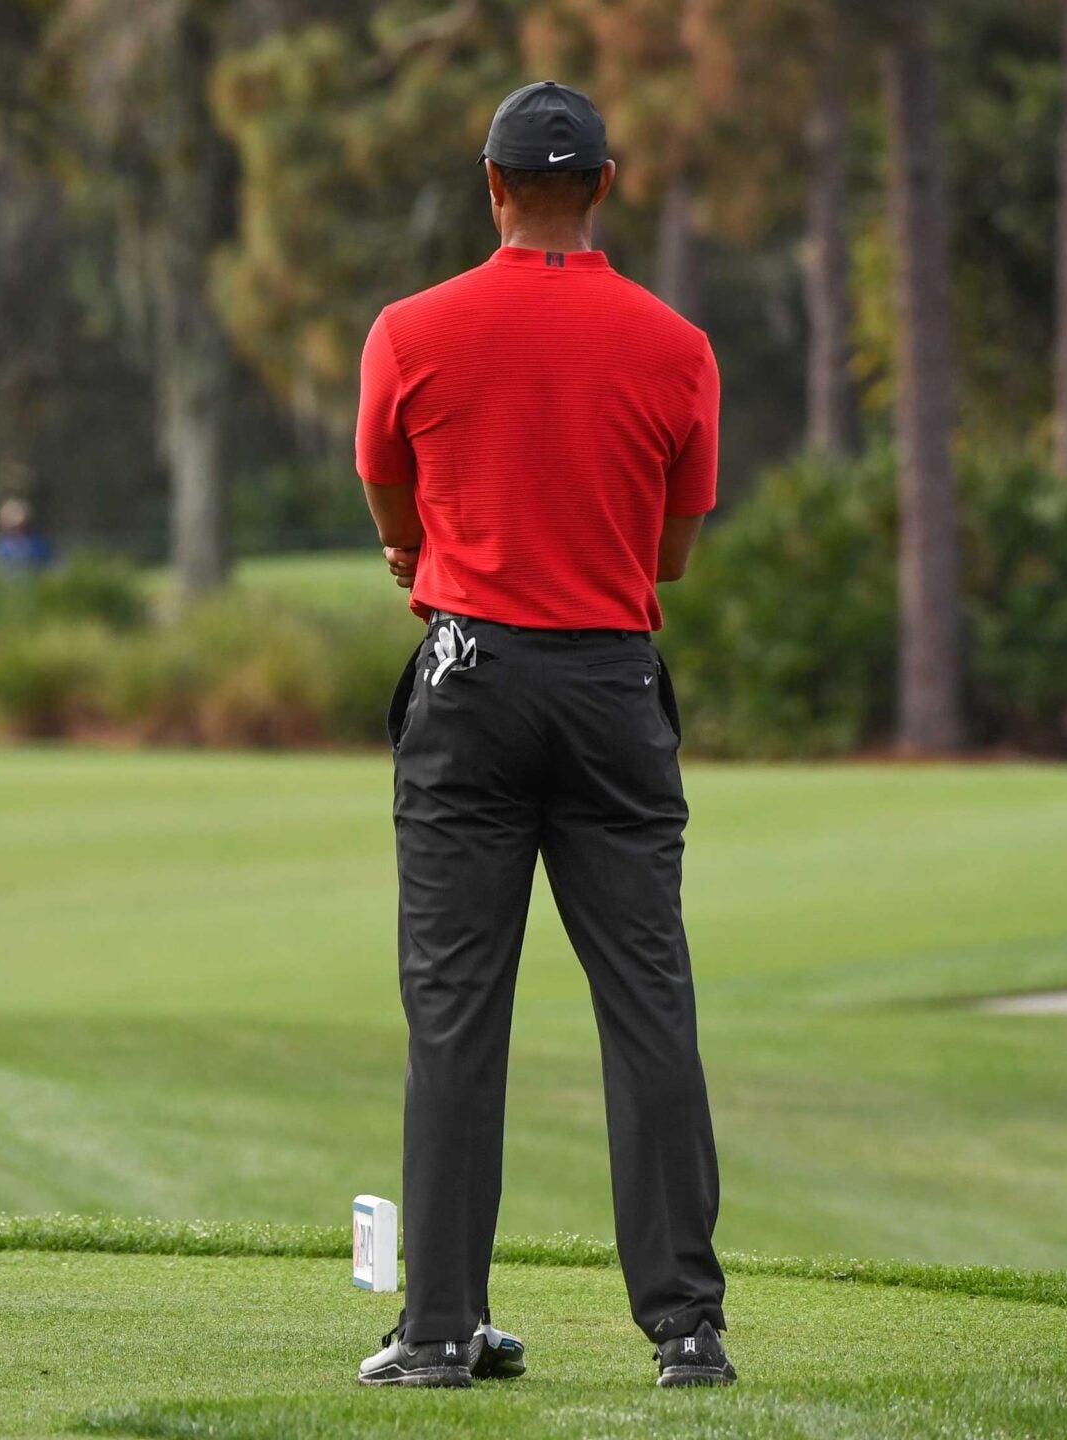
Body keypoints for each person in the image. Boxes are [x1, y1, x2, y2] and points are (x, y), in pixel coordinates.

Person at [350, 81, 732, 1389]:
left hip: (469, 686)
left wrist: (433, 554)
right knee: (650, 1009)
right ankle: (686, 1330)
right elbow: (669, 553)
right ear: (606, 186)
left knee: (457, 1017)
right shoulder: (678, 346)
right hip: (615, 691)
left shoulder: (410, 331)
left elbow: (394, 508)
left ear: (494, 185)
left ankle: (441, 1331)